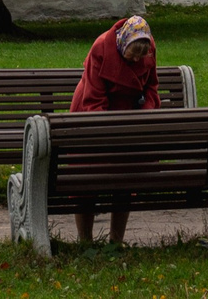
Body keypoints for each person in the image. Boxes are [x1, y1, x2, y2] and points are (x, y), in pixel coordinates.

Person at [66, 14, 158, 245]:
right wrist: (108, 128)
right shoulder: (101, 48)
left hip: (129, 119)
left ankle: (116, 243)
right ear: (122, 43)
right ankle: (85, 242)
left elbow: (151, 87)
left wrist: (145, 114)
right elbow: (93, 99)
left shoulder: (147, 46)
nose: (136, 59)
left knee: (124, 179)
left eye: (141, 54)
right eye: (132, 53)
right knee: (86, 177)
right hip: (92, 117)